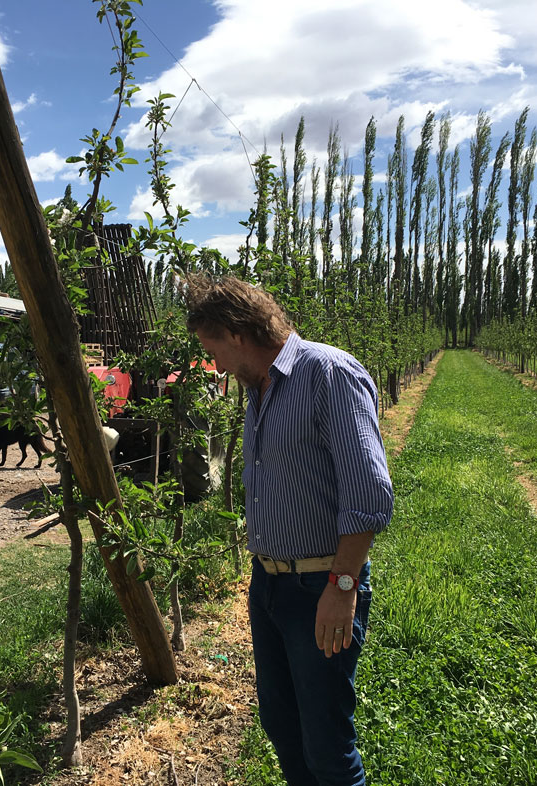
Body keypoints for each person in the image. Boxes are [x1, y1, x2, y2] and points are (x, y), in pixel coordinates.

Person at [184, 275, 393, 786]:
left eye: (211, 348)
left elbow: (369, 492)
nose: (212, 363)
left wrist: (342, 586)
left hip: (320, 585)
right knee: (281, 727)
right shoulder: (260, 389)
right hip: (269, 585)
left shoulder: (328, 374)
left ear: (236, 333)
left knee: (326, 744)